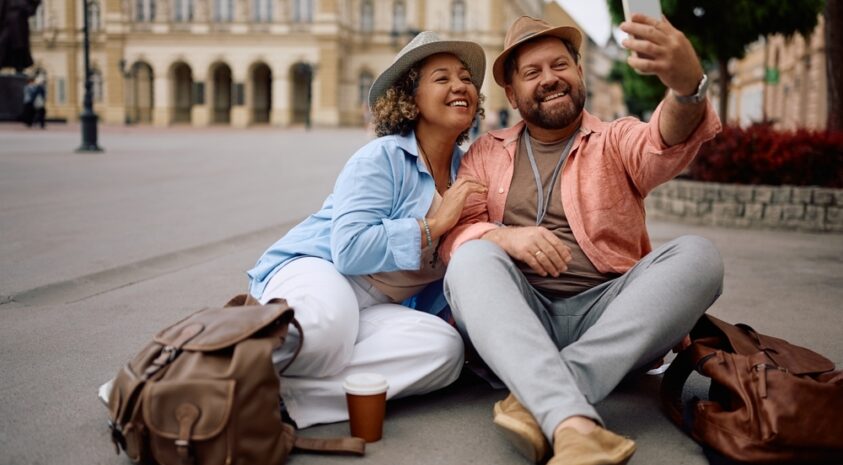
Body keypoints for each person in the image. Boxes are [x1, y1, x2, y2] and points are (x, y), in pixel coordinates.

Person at [441, 15, 723, 465]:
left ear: (578, 71)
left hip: (611, 318)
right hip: (522, 318)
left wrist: (687, 87)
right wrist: (506, 238)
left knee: (699, 255)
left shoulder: (614, 138)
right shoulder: (486, 152)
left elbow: (661, 142)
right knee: (471, 257)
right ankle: (574, 424)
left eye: (560, 65)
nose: (550, 79)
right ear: (512, 94)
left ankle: (540, 396)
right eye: (532, 72)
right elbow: (453, 236)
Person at [245, 31, 487, 428]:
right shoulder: (382, 157)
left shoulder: (472, 172)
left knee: (443, 350)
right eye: (442, 78)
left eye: (465, 78)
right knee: (326, 332)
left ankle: (282, 398)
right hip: (322, 269)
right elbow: (350, 250)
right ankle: (214, 364)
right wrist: (434, 225)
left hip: (383, 305)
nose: (461, 86)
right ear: (411, 99)